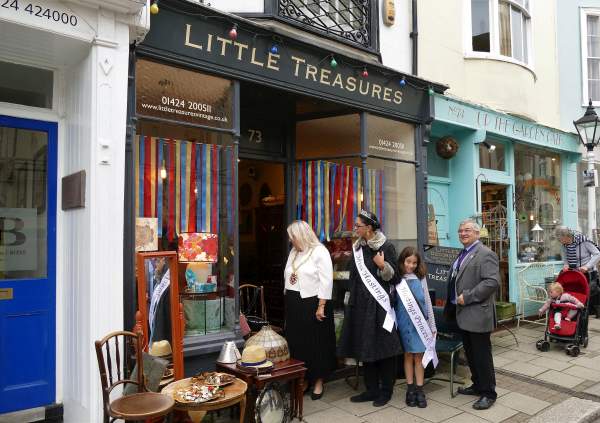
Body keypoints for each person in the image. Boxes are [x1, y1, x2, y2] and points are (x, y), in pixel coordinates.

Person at [338, 210, 402, 407]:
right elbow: (354, 278)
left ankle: (386, 391)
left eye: (358, 225)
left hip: (379, 307)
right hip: (360, 306)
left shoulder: (386, 246)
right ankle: (371, 389)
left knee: (384, 349)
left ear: (369, 227)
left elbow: (396, 278)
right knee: (365, 347)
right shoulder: (358, 248)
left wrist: (383, 266)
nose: (355, 228)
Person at [443, 219, 499, 410]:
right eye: (460, 231)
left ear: (477, 233)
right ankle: (477, 386)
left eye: (467, 230)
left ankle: (489, 393)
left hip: (477, 313)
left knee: (482, 356)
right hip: (462, 314)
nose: (462, 233)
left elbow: (492, 283)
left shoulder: (486, 254)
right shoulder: (464, 253)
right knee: (471, 355)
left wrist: (466, 297)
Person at [284, 220, 336, 400]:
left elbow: (326, 280)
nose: (291, 241)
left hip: (313, 304)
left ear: (302, 235)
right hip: (295, 303)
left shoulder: (320, 251)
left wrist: (321, 306)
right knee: (297, 344)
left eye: (293, 237)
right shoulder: (294, 252)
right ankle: (303, 379)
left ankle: (318, 381)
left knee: (316, 344)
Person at [395, 247, 437, 408]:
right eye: (408, 262)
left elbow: (427, 301)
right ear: (402, 261)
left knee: (419, 356)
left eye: (414, 262)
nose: (411, 265)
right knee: (407, 355)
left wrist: (432, 326)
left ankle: (420, 390)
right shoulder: (397, 279)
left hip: (420, 324)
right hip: (404, 323)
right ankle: (410, 389)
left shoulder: (421, 277)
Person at [555, 226, 600, 317]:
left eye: (560, 239)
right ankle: (578, 314)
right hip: (575, 273)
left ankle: (593, 310)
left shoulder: (584, 241)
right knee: (577, 294)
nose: (559, 241)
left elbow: (597, 254)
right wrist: (566, 264)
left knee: (590, 292)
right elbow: (565, 257)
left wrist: (587, 266)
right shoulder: (564, 244)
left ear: (567, 236)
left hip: (588, 272)